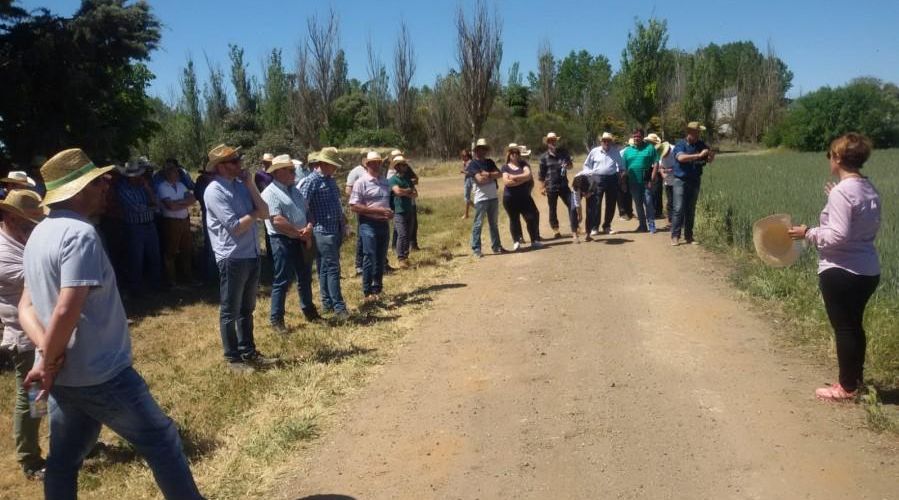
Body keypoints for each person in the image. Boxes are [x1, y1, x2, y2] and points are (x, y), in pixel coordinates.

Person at [20, 148, 202, 499]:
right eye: (97, 181)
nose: (106, 186)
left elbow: (25, 306)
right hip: (102, 372)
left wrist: (47, 357)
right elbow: (66, 308)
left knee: (64, 459)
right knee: (162, 439)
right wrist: (49, 357)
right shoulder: (79, 234)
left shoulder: (38, 234)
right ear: (77, 190)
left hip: (64, 377)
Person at [788, 133, 881, 401]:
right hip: (867, 269)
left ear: (838, 158)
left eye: (830, 154)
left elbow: (838, 235)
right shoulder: (867, 186)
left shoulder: (843, 192)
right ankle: (855, 380)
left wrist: (808, 232)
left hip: (841, 269)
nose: (829, 159)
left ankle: (846, 387)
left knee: (844, 328)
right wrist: (835, 197)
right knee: (854, 326)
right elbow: (859, 216)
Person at [203, 144, 277, 372]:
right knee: (230, 309)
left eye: (238, 160)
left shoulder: (242, 186)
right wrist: (254, 214)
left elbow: (265, 212)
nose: (239, 165)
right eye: (234, 162)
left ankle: (248, 350)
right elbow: (235, 227)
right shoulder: (214, 191)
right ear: (221, 167)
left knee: (247, 308)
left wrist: (250, 185)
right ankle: (233, 358)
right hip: (232, 256)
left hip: (251, 253)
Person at [0, 190, 46, 480]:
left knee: (58, 394)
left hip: (43, 332)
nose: (31, 228)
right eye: (25, 222)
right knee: (32, 398)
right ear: (7, 217)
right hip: (26, 336)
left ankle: (81, 443)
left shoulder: (20, 240)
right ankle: (30, 459)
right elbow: (44, 276)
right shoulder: (4, 254)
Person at [260, 154, 318, 334]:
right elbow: (277, 220)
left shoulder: (295, 190)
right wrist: (299, 233)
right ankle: (277, 319)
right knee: (282, 280)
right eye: (290, 170)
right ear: (278, 172)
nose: (294, 173)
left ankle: (309, 310)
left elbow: (308, 212)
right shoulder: (269, 193)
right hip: (282, 240)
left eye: (294, 170)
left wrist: (308, 226)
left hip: (301, 237)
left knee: (305, 276)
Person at [298, 148, 350, 320]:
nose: (335, 169)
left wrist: (342, 220)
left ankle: (327, 302)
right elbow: (302, 205)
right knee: (333, 268)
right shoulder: (311, 181)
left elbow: (336, 204)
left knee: (326, 268)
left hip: (334, 229)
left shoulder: (330, 180)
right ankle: (339, 307)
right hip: (322, 231)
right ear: (324, 164)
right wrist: (310, 223)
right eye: (333, 165)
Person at [349, 151, 393, 301]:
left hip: (383, 223)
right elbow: (354, 206)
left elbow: (387, 203)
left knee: (381, 257)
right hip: (368, 223)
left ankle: (377, 289)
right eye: (372, 163)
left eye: (378, 162)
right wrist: (376, 210)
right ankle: (367, 291)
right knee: (369, 255)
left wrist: (389, 213)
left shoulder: (385, 182)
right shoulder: (361, 182)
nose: (376, 165)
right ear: (366, 165)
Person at [116, 159, 162, 295]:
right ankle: (135, 289)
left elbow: (156, 203)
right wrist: (152, 207)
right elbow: (137, 208)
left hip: (149, 225)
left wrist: (147, 189)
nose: (138, 178)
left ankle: (156, 285)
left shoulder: (143, 186)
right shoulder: (122, 188)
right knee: (136, 259)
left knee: (155, 256)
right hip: (134, 227)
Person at [671, 121, 715, 246]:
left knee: (691, 209)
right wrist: (698, 155)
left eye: (698, 132)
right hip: (680, 180)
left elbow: (709, 160)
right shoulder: (680, 145)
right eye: (695, 132)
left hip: (695, 180)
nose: (697, 135)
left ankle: (689, 236)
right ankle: (675, 236)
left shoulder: (701, 144)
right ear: (689, 132)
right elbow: (681, 158)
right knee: (678, 208)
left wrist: (711, 156)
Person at [156, 161, 197, 287]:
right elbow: (170, 206)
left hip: (184, 220)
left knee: (187, 249)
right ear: (168, 174)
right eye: (174, 171)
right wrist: (184, 202)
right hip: (171, 222)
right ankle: (172, 281)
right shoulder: (162, 187)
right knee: (171, 251)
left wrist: (178, 203)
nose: (177, 173)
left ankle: (188, 277)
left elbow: (193, 199)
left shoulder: (180, 185)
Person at [581, 132, 625, 238]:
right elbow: (586, 165)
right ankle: (594, 227)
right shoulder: (594, 151)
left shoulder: (615, 152)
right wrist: (589, 175)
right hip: (597, 179)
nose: (606, 142)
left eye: (608, 140)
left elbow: (621, 166)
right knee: (596, 203)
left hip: (612, 178)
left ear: (611, 142)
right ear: (601, 142)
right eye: (604, 140)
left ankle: (607, 226)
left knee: (611, 203)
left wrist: (621, 176)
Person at [467, 138, 505, 257]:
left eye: (484, 149)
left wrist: (487, 174)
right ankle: (476, 248)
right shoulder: (473, 164)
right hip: (481, 198)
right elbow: (479, 180)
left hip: (493, 197)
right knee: (478, 223)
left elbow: (500, 174)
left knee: (493, 223)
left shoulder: (490, 162)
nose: (482, 151)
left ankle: (496, 246)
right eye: (480, 149)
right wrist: (491, 176)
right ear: (476, 150)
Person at [501, 144, 543, 251]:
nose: (515, 155)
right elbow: (506, 182)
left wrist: (514, 177)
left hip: (524, 197)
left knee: (531, 218)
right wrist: (522, 180)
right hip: (510, 198)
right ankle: (516, 241)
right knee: (514, 219)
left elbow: (528, 175)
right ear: (509, 155)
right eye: (513, 153)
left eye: (517, 153)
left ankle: (534, 240)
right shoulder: (505, 167)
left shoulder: (524, 164)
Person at [621, 129, 660, 233]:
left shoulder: (650, 148)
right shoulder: (627, 151)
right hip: (633, 182)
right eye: (634, 136)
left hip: (646, 181)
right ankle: (642, 226)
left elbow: (656, 163)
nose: (636, 138)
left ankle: (651, 226)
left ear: (642, 137)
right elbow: (624, 168)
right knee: (638, 204)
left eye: (638, 136)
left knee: (648, 203)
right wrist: (624, 182)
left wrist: (652, 178)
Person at [538, 132, 573, 239]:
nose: (552, 142)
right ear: (547, 143)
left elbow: (570, 166)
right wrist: (542, 187)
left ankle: (575, 227)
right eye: (550, 141)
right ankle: (555, 230)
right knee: (552, 209)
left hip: (563, 185)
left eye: (554, 140)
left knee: (572, 205)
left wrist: (567, 165)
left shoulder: (563, 153)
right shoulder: (544, 157)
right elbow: (541, 174)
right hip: (551, 186)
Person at [389, 155, 417, 267]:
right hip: (398, 210)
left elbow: (416, 194)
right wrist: (408, 191)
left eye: (405, 164)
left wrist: (405, 191)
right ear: (397, 167)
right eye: (403, 165)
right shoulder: (393, 179)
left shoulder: (407, 179)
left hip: (409, 209)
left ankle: (405, 257)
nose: (406, 166)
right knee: (402, 234)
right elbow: (397, 192)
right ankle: (401, 258)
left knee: (408, 234)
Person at [346, 152, 370, 276]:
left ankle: (382, 263)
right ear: (363, 159)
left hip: (375, 209)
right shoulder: (356, 172)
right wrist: (359, 201)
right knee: (362, 236)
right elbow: (348, 190)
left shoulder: (375, 171)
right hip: (362, 209)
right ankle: (359, 265)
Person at [645, 133, 666, 219]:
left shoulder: (660, 150)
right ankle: (651, 211)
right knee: (650, 192)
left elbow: (660, 163)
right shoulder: (647, 149)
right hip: (649, 170)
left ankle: (658, 212)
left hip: (657, 171)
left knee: (657, 191)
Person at [568, 174, 591, 243]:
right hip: (581, 187)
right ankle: (574, 233)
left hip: (590, 188)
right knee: (573, 209)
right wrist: (580, 215)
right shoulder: (576, 184)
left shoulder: (592, 181)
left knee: (591, 210)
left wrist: (588, 193)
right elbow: (577, 203)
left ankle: (588, 234)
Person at [460, 149, 474, 219]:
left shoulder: (470, 162)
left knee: (466, 197)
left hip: (470, 179)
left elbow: (471, 172)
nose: (463, 157)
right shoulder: (465, 162)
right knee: (466, 197)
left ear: (468, 155)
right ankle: (478, 209)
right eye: (462, 156)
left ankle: (466, 214)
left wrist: (463, 172)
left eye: (464, 155)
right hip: (467, 179)